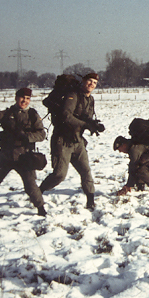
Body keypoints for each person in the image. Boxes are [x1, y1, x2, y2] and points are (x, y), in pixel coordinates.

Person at [0, 88, 47, 217]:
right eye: (22, 98)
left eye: (28, 98)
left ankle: (41, 209)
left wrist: (27, 136)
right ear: (16, 98)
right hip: (6, 156)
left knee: (31, 185)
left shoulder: (32, 115)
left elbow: (41, 134)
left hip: (25, 156)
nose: (24, 101)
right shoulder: (7, 114)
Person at [39, 73, 104, 210]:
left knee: (86, 171)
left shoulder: (90, 99)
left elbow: (86, 117)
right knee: (60, 174)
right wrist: (85, 125)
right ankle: (39, 191)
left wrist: (94, 125)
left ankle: (90, 200)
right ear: (83, 81)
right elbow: (66, 116)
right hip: (63, 140)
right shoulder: (73, 95)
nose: (91, 84)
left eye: (94, 83)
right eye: (89, 81)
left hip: (78, 140)